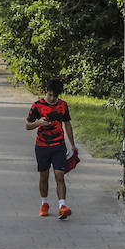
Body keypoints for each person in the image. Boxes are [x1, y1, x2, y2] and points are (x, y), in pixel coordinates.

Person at [26, 78, 79, 219]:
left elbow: (67, 124)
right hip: (42, 146)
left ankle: (62, 206)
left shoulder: (63, 105)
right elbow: (27, 125)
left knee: (59, 176)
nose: (52, 98)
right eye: (50, 95)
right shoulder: (37, 105)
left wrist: (72, 144)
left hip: (58, 146)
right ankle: (44, 203)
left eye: (55, 96)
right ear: (46, 92)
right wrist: (38, 123)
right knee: (44, 177)